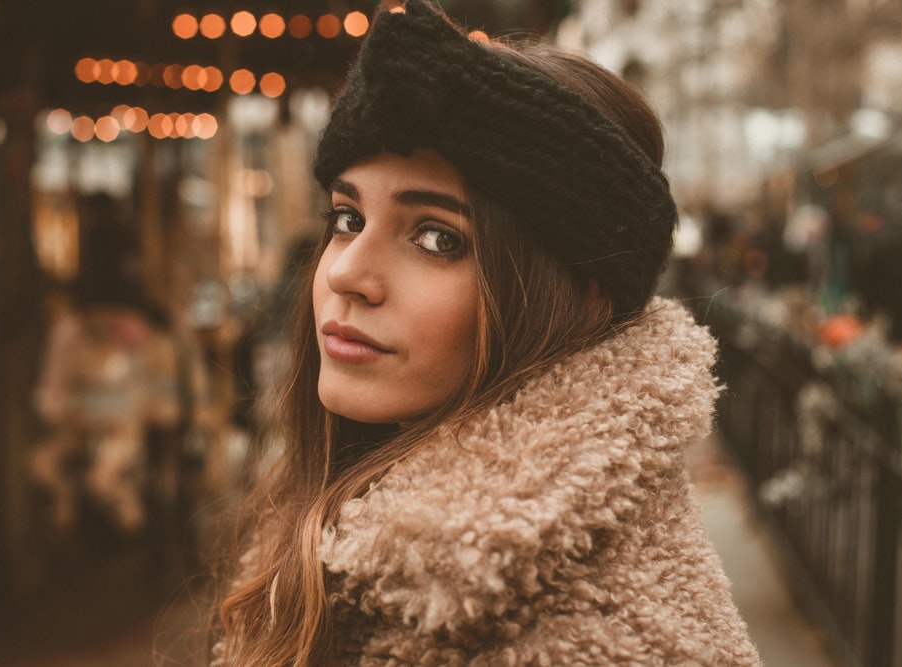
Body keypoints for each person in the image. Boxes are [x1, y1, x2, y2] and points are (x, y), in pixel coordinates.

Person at [212, 2, 761, 665]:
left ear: (577, 302)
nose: (347, 272)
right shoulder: (355, 524)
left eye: (437, 237)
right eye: (348, 217)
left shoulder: (601, 641)